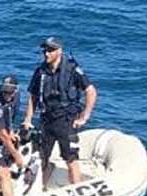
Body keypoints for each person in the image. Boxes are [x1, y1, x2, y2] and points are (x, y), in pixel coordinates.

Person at [21, 36, 97, 186]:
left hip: (66, 120)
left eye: (50, 50)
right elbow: (33, 96)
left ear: (59, 51)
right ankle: (40, 187)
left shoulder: (72, 70)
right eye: (45, 50)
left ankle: (76, 188)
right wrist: (28, 119)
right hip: (47, 120)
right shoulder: (41, 71)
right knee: (42, 157)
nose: (46, 53)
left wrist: (84, 116)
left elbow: (91, 91)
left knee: (70, 158)